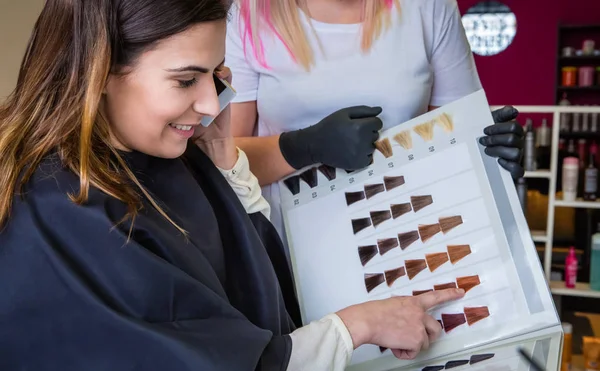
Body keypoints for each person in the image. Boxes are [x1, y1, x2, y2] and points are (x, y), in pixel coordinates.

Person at [0, 0, 465, 370]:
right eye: (185, 81)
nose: (210, 101)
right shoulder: (63, 208)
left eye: (218, 75)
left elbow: (257, 296)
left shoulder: (172, 156)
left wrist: (224, 162)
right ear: (99, 71)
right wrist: (355, 327)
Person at [226, 0, 525, 247]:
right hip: (286, 250)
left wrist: (488, 150)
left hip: (406, 241)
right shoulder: (246, 14)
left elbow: (458, 136)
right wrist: (304, 147)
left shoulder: (430, 7)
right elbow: (220, 162)